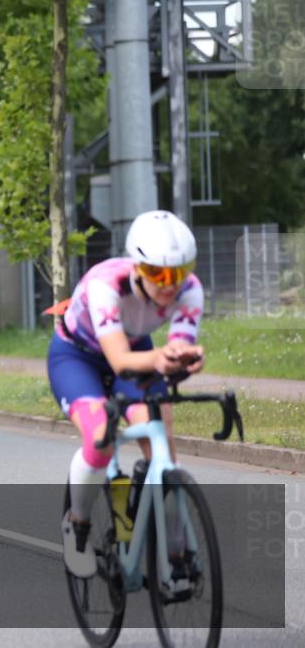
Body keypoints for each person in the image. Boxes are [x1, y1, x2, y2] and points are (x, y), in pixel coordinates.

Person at [51, 210, 205, 579]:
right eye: (158, 274)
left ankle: (174, 546)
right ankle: (78, 525)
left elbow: (176, 346)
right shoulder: (106, 284)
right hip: (80, 358)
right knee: (101, 436)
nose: (169, 285)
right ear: (137, 266)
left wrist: (185, 357)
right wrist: (164, 358)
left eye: (179, 272)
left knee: (162, 447)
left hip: (138, 351)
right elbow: (120, 362)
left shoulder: (190, 289)